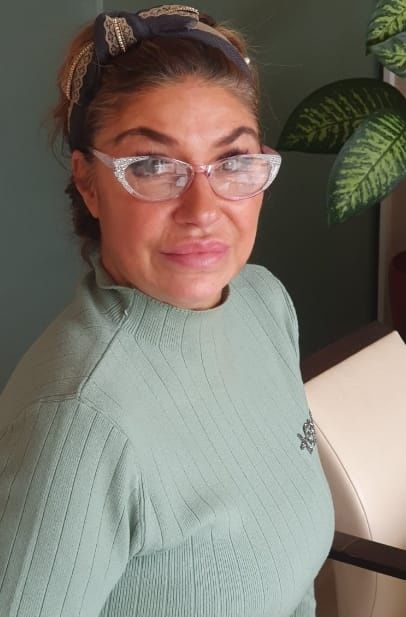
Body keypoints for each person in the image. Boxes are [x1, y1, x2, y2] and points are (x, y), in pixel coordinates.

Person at [0, 5, 334, 616]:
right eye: (154, 166)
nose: (202, 209)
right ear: (89, 182)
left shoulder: (263, 303)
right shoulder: (78, 424)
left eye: (232, 161)